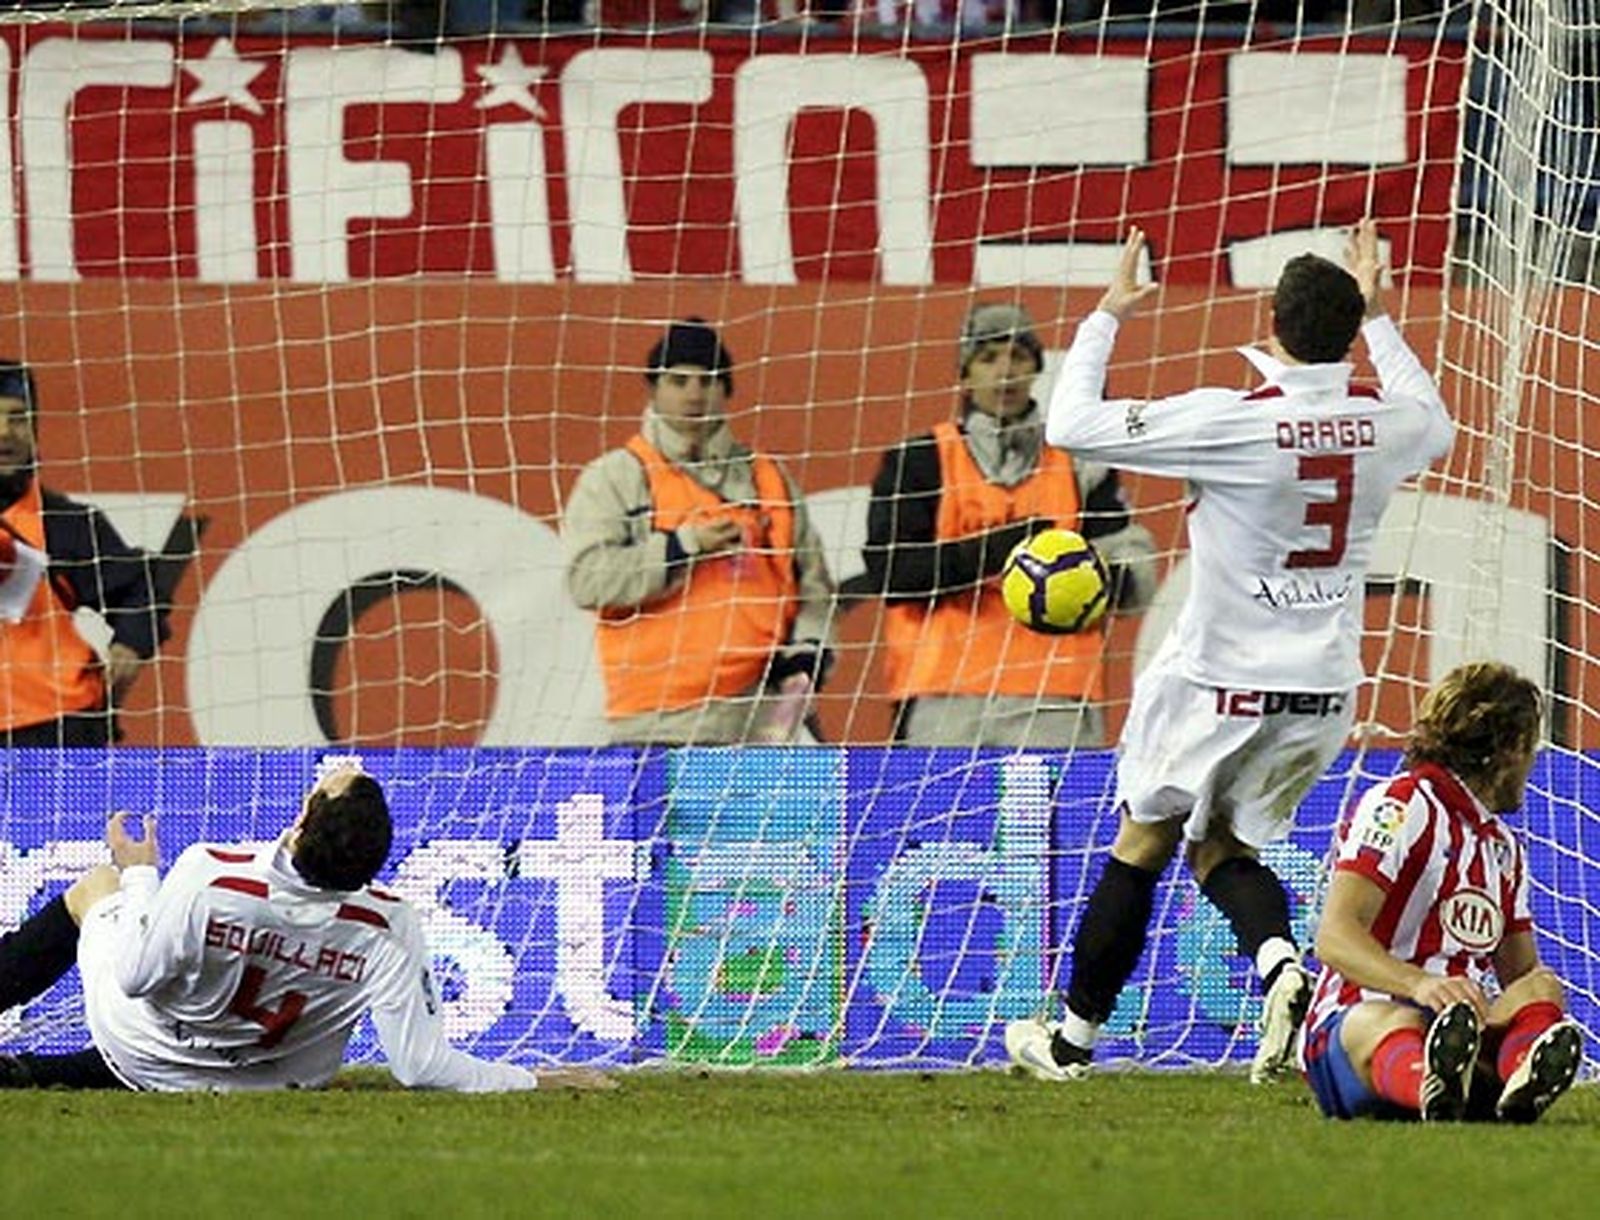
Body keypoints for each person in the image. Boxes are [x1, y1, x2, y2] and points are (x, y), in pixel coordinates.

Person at [1005, 219, 1455, 1083]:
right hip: (1323, 691)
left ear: (1271, 324)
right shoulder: (1388, 426)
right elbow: (1432, 418)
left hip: (1218, 680)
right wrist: (1382, 318)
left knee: (1144, 842)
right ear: (1346, 327)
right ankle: (1281, 966)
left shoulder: (1230, 422)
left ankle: (1071, 1045)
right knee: (1225, 852)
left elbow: (1068, 421)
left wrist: (1109, 312)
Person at [0, 758, 608, 1092]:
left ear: (302, 819)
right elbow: (420, 1066)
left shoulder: (209, 871)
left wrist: (139, 878)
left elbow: (134, 978)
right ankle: (27, 1073)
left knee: (94, 890)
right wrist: (530, 1078)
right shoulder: (390, 924)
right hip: (267, 1084)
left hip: (141, 1054)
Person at [863, 302, 1157, 747]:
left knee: (1050, 820)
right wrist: (1003, 548)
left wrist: (1074, 577)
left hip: (1054, 696)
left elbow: (1132, 574)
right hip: (943, 696)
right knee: (943, 820)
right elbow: (891, 574)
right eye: (988, 357)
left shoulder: (1078, 459)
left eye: (1019, 356)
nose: (1006, 371)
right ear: (965, 374)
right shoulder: (919, 459)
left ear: (1037, 369)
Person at [1303, 661, 1582, 1122]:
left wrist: (1523, 1019)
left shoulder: (1502, 848)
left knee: (1541, 987)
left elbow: (1521, 973)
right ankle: (1435, 1086)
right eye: (1531, 747)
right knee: (1395, 1022)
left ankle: (1516, 1085)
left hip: (1455, 1032)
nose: (1533, 763)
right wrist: (1418, 983)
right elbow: (1333, 936)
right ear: (1511, 748)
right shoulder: (1402, 805)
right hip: (1357, 1024)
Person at [564, 317, 835, 745]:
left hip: (763, 722)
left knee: (777, 814)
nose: (693, 394)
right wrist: (681, 546)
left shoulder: (769, 478)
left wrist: (808, 651)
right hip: (659, 721)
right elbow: (586, 579)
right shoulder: (616, 476)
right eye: (678, 380)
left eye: (707, 380)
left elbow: (814, 584)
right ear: (653, 388)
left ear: (726, 391)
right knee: (670, 816)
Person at [0, 361, 170, 746]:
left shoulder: (64, 523)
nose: (4, 433)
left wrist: (130, 641)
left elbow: (139, 589)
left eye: (18, 418)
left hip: (57, 725)